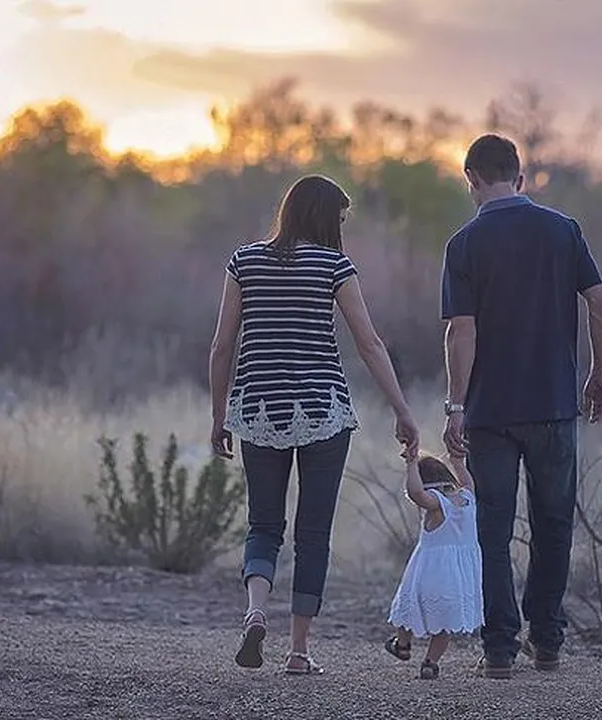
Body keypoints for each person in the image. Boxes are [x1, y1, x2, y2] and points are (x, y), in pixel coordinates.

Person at [208, 174, 419, 676]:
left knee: (263, 524)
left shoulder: (244, 261)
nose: (341, 229)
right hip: (323, 411)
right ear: (325, 218)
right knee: (313, 533)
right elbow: (369, 345)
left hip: (258, 411)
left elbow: (221, 346)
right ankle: (298, 651)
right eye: (340, 219)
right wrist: (402, 410)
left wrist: (219, 416)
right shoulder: (334, 265)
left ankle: (256, 611)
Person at [439, 134, 602, 679]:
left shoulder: (464, 244)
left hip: (491, 413)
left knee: (492, 530)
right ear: (520, 177)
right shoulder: (563, 231)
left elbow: (460, 332)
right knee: (554, 524)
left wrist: (455, 405)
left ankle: (499, 649)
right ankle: (547, 640)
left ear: (470, 179)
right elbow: (600, 301)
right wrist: (600, 372)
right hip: (554, 406)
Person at [384, 451, 483, 680]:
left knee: (407, 608)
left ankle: (403, 644)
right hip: (458, 577)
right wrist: (458, 462)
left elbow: (416, 493)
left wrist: (410, 465)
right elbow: (467, 480)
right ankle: (430, 663)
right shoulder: (467, 497)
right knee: (444, 623)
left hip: (429, 573)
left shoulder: (437, 504)